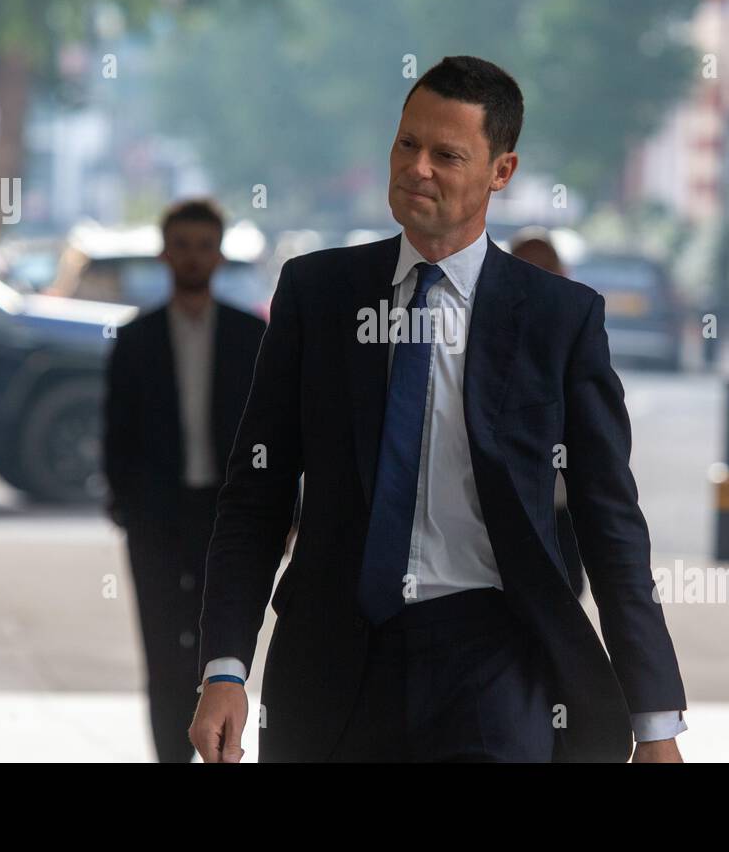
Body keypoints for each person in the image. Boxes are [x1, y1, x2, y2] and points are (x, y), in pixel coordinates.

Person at [191, 56, 687, 763]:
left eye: (446, 154)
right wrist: (225, 669)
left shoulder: (558, 320)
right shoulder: (318, 295)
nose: (416, 167)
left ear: (501, 172)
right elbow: (255, 498)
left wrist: (655, 724)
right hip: (332, 661)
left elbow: (611, 522)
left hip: (494, 664)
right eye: (406, 143)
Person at [103, 198, 266, 762]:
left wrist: (282, 512)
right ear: (164, 253)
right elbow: (115, 433)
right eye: (182, 246)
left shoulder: (250, 336)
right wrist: (126, 507)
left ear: (218, 254)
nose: (193, 257)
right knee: (161, 647)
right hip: (157, 516)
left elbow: (272, 432)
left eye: (203, 246)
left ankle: (219, 749)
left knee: (220, 647)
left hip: (229, 517)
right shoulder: (136, 338)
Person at [508, 227, 586, 600]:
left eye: (543, 269)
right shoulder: (480, 334)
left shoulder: (575, 337)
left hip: (555, 508)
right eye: (526, 268)